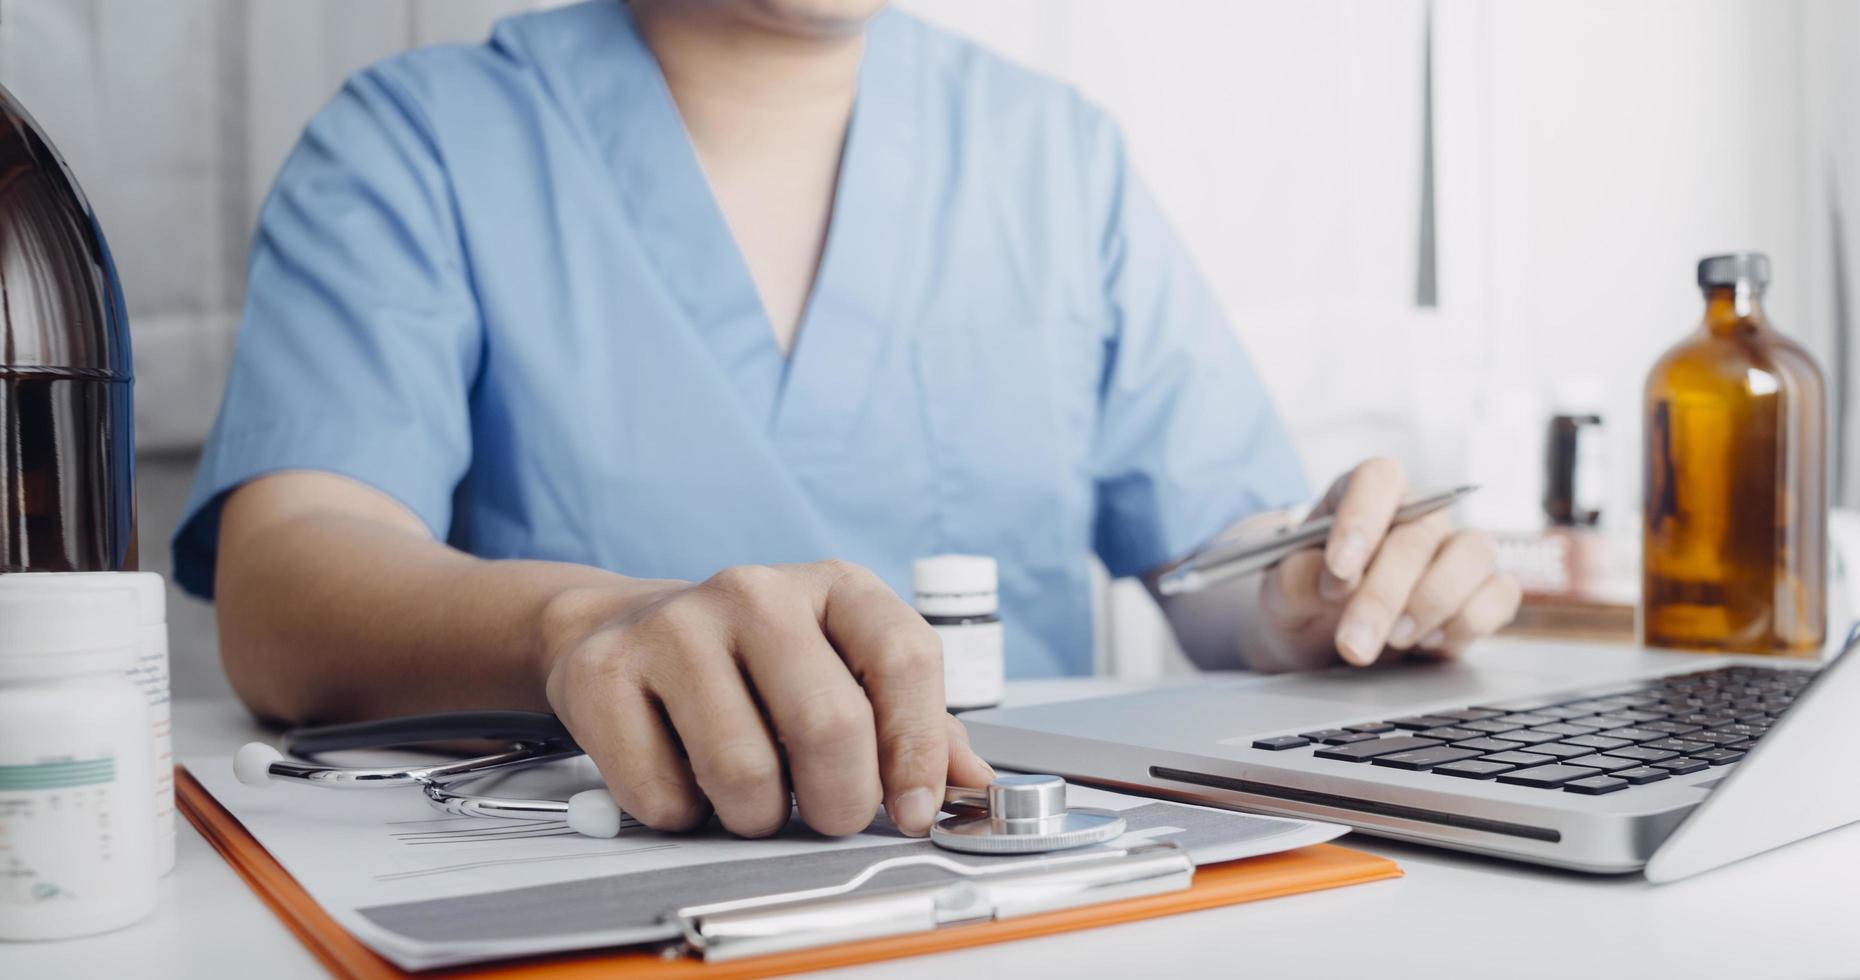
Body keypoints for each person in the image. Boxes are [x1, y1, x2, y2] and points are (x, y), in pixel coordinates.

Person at [175, 0, 1520, 842]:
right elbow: (286, 587)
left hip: (1029, 888)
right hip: (617, 881)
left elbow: (1217, 566)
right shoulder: (416, 142)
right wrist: (577, 626)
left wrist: (1318, 593)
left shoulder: (1057, 158)